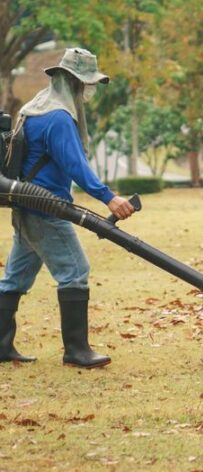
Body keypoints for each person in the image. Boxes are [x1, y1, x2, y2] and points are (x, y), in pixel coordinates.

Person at [0, 48, 135, 368]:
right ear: (73, 82)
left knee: (13, 280)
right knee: (75, 272)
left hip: (26, 208)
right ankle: (77, 351)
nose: (87, 91)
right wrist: (109, 197)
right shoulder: (58, 117)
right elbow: (75, 164)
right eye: (85, 85)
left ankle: (1, 346)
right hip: (47, 211)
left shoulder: (34, 108)